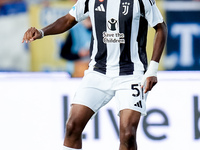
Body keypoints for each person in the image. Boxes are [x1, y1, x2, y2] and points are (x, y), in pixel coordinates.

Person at [22, 0, 167, 149]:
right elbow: (68, 20)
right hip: (98, 72)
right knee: (72, 126)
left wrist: (153, 70)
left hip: (131, 74)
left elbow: (161, 27)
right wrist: (42, 32)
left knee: (128, 134)